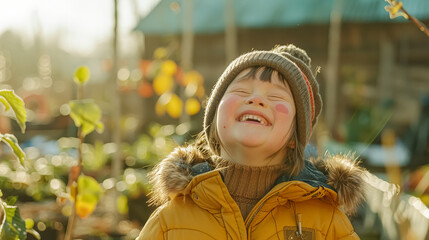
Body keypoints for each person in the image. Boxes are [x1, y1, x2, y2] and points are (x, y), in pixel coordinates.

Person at [137, 44, 365, 239]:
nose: (255, 99)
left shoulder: (326, 221)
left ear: (295, 138)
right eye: (241, 90)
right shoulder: (171, 221)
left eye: (275, 96)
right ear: (214, 124)